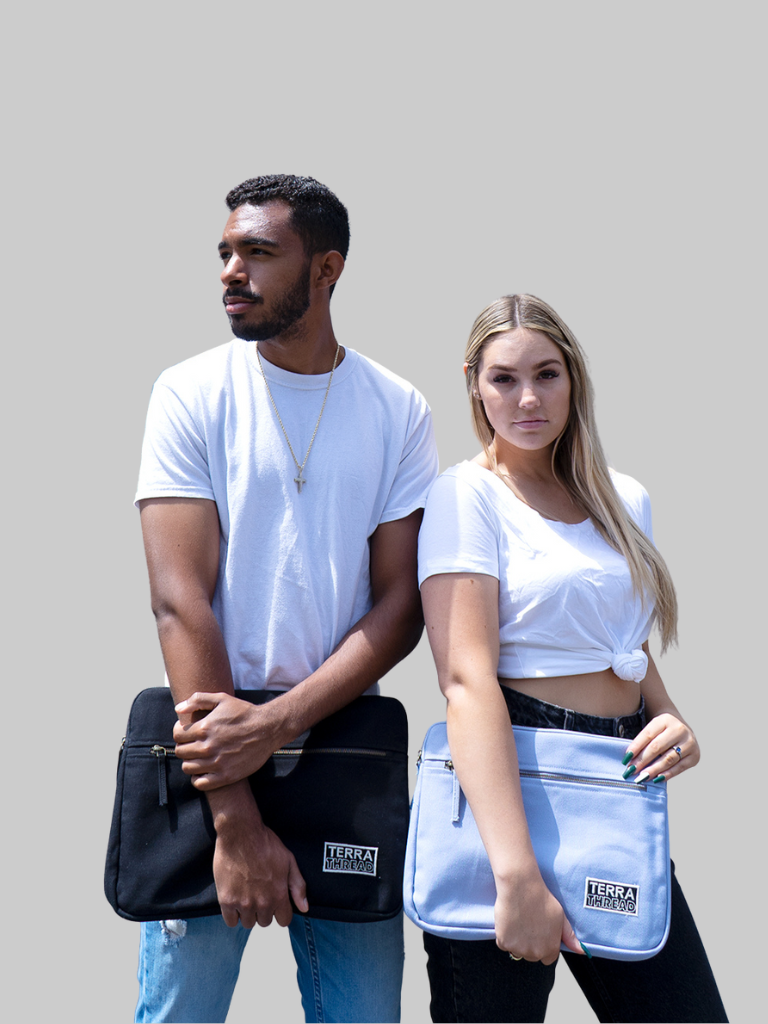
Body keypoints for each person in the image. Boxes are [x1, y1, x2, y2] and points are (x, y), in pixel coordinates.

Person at [133, 174, 438, 1023]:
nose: (231, 271)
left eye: (259, 252)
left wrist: (277, 724)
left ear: (327, 268)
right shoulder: (190, 391)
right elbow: (180, 602)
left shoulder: (398, 408)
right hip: (208, 743)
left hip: (341, 746)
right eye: (226, 252)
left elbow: (400, 605)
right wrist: (232, 814)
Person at [416, 294, 727, 1023]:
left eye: (547, 374)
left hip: (616, 780)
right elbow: (466, 680)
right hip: (510, 779)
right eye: (504, 378)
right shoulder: (465, 496)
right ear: (473, 383)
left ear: (574, 378)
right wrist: (515, 874)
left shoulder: (624, 497)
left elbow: (620, 640)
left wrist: (669, 716)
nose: (528, 398)